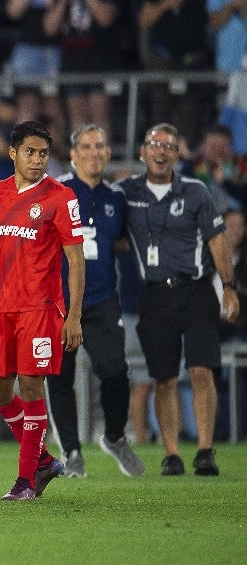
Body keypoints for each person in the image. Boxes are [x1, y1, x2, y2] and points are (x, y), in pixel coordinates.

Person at [0, 120, 84, 501]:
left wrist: (73, 315)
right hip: (1, 308)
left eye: (43, 154)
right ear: (13, 154)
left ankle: (25, 481)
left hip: (41, 308)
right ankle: (43, 459)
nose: (37, 161)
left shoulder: (60, 197)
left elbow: (76, 260)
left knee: (32, 385)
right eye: (30, 153)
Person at [120, 123, 240, 476]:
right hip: (154, 294)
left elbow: (217, 239)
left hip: (197, 290)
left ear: (177, 155)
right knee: (164, 378)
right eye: (154, 144)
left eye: (168, 146)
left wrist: (228, 286)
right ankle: (171, 453)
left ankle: (205, 450)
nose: (160, 152)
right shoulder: (126, 191)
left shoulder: (195, 191)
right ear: (143, 151)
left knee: (202, 370)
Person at [47, 124, 145, 478]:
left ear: (107, 153)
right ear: (73, 154)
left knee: (116, 371)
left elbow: (119, 241)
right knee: (60, 377)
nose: (93, 152)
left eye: (99, 146)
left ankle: (115, 436)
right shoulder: (56, 192)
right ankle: (72, 451)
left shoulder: (116, 198)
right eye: (85, 146)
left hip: (103, 299)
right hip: (59, 300)